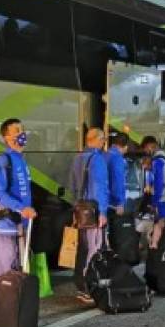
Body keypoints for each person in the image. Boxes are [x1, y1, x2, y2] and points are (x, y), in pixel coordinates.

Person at [0, 118, 36, 296]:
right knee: (2, 272)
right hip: (5, 226)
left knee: (16, 271)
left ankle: (11, 313)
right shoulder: (4, 161)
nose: (22, 133)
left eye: (22, 129)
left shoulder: (21, 160)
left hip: (20, 226)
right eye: (17, 130)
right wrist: (20, 208)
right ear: (6, 137)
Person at [69, 127, 109, 304]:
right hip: (93, 211)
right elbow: (98, 188)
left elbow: (71, 185)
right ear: (97, 140)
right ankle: (89, 287)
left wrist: (76, 207)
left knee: (82, 249)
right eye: (103, 140)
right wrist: (102, 212)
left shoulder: (77, 158)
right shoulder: (97, 159)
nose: (103, 143)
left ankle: (80, 286)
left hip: (80, 209)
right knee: (94, 249)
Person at [140, 134, 165, 249]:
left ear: (150, 146)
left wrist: (154, 202)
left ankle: (157, 250)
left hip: (163, 199)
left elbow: (158, 183)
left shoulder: (158, 160)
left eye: (145, 149)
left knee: (160, 225)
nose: (146, 152)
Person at [107, 132, 130, 218]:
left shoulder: (105, 155)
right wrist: (120, 203)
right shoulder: (118, 159)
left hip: (103, 201)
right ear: (126, 146)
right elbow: (118, 182)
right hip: (112, 204)